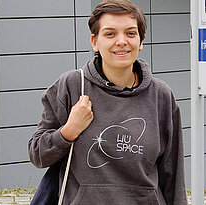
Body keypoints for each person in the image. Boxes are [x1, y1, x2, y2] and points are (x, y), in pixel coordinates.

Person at [28, 0, 187, 204]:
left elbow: (173, 175)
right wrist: (68, 132)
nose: (121, 41)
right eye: (110, 34)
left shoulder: (161, 96)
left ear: (140, 42)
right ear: (95, 41)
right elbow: (37, 154)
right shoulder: (72, 86)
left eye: (130, 33)